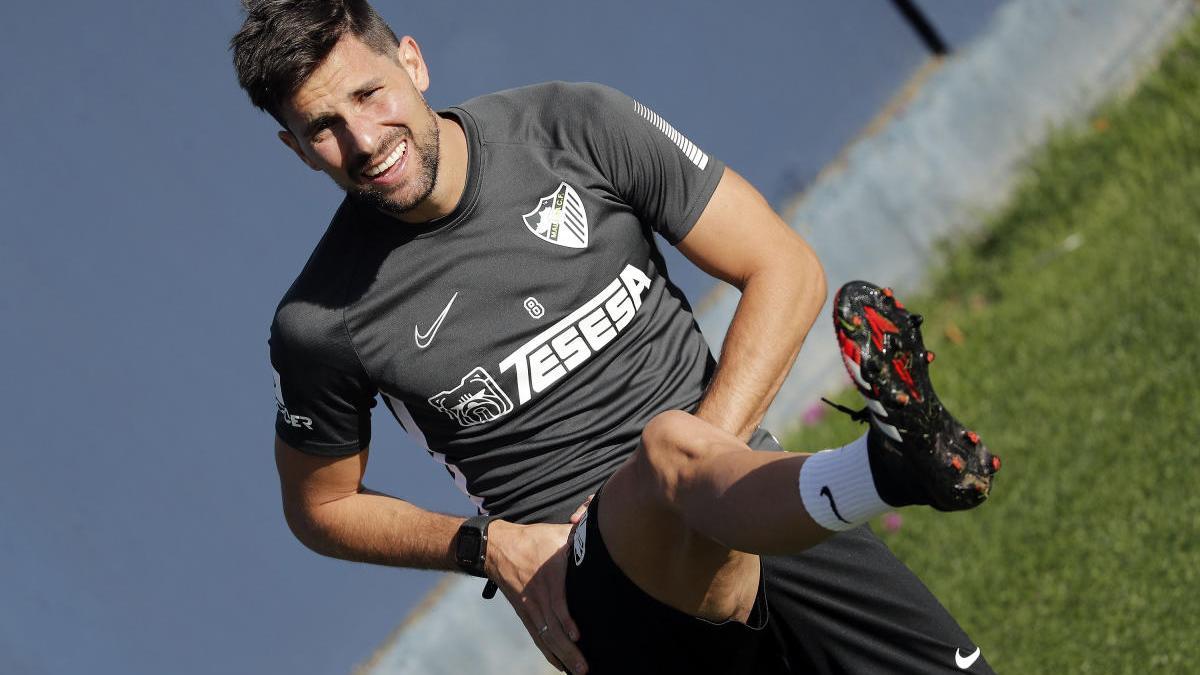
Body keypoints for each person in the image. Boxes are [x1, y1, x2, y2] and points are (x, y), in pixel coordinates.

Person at [231, 1, 1001, 673]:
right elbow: (321, 506)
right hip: (594, 586)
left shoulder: (572, 125)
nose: (364, 138)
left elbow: (785, 266)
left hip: (756, 498)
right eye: (324, 128)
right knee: (672, 454)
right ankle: (885, 467)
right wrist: (485, 544)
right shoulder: (320, 320)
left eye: (369, 94)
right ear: (296, 151)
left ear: (413, 61)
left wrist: (709, 465)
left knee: (676, 452)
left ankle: (879, 467)